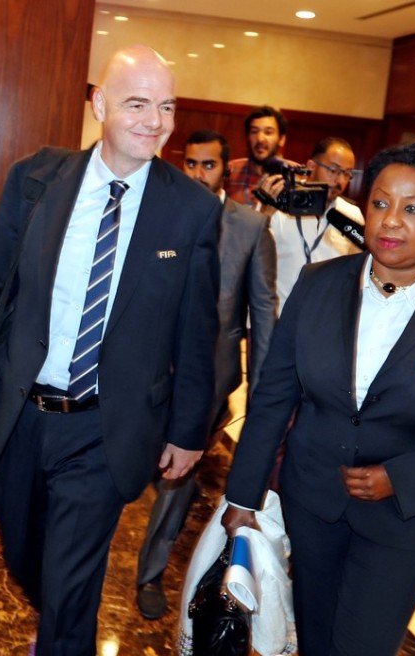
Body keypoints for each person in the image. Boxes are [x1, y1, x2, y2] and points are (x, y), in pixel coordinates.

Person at [0, 45, 220, 656]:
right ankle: (53, 624)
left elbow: (198, 330)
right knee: (29, 559)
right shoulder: (38, 179)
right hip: (22, 414)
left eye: (165, 106)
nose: (154, 121)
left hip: (105, 429)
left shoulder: (191, 208)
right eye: (137, 103)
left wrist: (189, 430)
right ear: (99, 105)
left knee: (72, 588)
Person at [222, 142, 415, 656]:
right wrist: (242, 496)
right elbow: (273, 395)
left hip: (404, 522)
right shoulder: (320, 285)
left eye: (414, 208)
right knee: (315, 649)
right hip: (312, 503)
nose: (391, 221)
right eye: (381, 203)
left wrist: (404, 477)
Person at [134, 129, 278, 619]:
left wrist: (264, 400)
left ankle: (150, 574)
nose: (198, 174)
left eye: (208, 165)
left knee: (179, 474)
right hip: (146, 375)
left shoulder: (249, 227)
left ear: (226, 169)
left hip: (210, 383)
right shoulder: (158, 214)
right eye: (190, 164)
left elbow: (263, 312)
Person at [262, 136, 365, 312]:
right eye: (333, 170)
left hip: (322, 320)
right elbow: (252, 257)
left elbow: (357, 270)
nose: (340, 181)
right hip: (276, 315)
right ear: (311, 167)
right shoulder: (277, 206)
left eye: (347, 174)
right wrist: (263, 214)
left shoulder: (351, 216)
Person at [225, 104, 290, 208]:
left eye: (268, 132)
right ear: (247, 137)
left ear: (281, 139)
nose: (260, 139)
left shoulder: (295, 174)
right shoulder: (231, 171)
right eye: (254, 132)